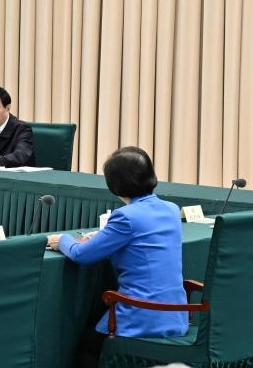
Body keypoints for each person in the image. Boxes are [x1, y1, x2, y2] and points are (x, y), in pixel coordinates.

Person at [47, 147, 187, 367]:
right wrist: (104, 237)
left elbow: (81, 255)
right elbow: (142, 243)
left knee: (87, 346)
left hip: (143, 315)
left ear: (114, 185)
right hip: (175, 314)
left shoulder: (126, 216)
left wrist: (62, 239)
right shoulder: (171, 209)